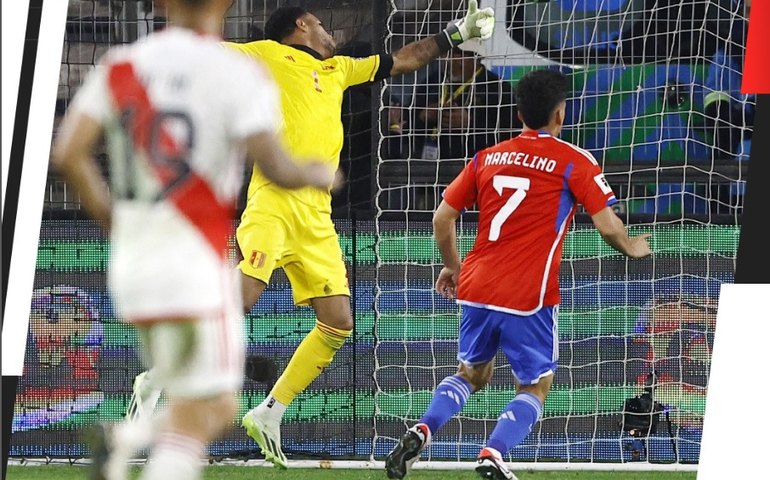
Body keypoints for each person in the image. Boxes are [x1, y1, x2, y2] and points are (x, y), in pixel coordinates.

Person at [50, 0, 335, 479]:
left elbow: (69, 153)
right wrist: (319, 171)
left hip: (133, 264)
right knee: (211, 410)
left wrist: (116, 223)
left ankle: (126, 439)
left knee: (203, 402)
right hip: (194, 263)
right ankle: (127, 440)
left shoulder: (122, 64)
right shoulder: (234, 72)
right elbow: (278, 166)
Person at [218, 0, 495, 469]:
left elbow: (403, 59)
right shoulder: (265, 54)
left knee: (339, 322)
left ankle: (269, 412)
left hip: (317, 216)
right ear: (301, 25)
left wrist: (454, 34)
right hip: (274, 200)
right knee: (243, 299)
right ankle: (168, 370)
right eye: (322, 24)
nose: (330, 33)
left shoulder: (340, 68)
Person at [384, 69, 653, 480]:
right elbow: (608, 225)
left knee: (471, 373)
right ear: (559, 115)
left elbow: (442, 221)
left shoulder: (487, 157)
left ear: (518, 112)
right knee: (535, 384)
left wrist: (455, 269)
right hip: (528, 293)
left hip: (475, 285)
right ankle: (492, 453)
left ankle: (423, 429)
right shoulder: (574, 161)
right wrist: (633, 246)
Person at [386, 46, 520, 164]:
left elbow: (511, 135)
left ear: (476, 57)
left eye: (458, 54)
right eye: (447, 54)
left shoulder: (497, 88)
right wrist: (422, 116)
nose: (451, 60)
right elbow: (407, 128)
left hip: (475, 169)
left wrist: (471, 125)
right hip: (429, 173)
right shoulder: (432, 83)